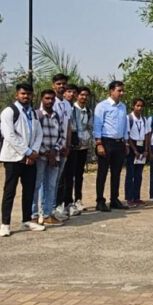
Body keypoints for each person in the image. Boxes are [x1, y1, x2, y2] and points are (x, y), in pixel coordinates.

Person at [0, 83, 45, 236]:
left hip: (30, 158)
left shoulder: (33, 113)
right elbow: (9, 135)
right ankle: (5, 224)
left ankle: (27, 219)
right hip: (13, 158)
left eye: (29, 94)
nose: (26, 96)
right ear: (16, 95)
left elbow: (38, 134)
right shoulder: (9, 112)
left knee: (29, 190)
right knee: (10, 191)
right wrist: (27, 152)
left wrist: (34, 152)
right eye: (23, 94)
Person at [93, 80, 129, 212]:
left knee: (117, 173)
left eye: (122, 90)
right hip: (106, 142)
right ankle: (100, 200)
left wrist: (125, 142)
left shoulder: (123, 107)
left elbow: (125, 125)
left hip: (119, 142)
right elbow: (97, 125)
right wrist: (99, 143)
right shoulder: (102, 106)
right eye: (119, 90)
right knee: (102, 172)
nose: (121, 93)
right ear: (111, 91)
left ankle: (114, 199)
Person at [33, 89, 65, 226]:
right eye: (47, 98)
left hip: (54, 155)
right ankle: (33, 214)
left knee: (51, 185)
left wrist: (55, 151)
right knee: (36, 185)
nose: (50, 101)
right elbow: (33, 136)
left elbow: (62, 136)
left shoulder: (56, 116)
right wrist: (46, 152)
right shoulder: (37, 115)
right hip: (40, 156)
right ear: (42, 99)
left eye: (52, 99)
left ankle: (47, 214)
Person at [62, 86, 93, 216]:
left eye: (86, 95)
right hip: (73, 146)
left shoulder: (89, 111)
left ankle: (78, 199)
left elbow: (90, 127)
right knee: (69, 175)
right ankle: (67, 202)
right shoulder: (71, 109)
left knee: (79, 174)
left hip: (83, 147)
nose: (83, 97)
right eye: (81, 94)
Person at [51, 74, 72, 220]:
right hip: (52, 147)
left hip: (64, 147)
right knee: (49, 180)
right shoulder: (49, 102)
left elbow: (68, 125)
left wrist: (67, 145)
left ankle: (55, 207)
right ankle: (46, 209)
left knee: (58, 179)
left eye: (64, 84)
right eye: (58, 83)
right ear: (53, 85)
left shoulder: (67, 104)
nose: (61, 86)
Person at [124, 98, 147, 207]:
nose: (140, 108)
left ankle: (136, 197)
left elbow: (147, 135)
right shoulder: (129, 118)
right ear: (133, 106)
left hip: (141, 147)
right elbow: (127, 136)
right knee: (130, 174)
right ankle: (129, 198)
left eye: (141, 106)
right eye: (137, 106)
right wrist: (134, 150)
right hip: (133, 147)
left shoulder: (144, 119)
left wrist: (146, 150)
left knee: (139, 174)